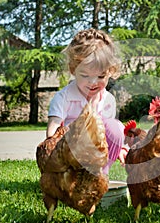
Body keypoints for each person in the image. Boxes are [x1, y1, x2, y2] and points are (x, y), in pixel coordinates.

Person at [46, 28, 128, 174]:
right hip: (70, 155)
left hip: (95, 156)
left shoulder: (108, 100)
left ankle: (101, 175)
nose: (93, 82)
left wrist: (120, 147)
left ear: (111, 72)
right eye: (85, 75)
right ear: (73, 70)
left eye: (101, 76)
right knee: (86, 126)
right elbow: (52, 134)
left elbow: (110, 135)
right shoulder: (63, 98)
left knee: (116, 127)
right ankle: (73, 176)